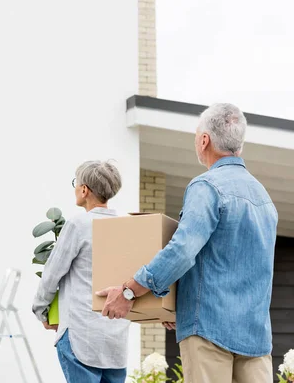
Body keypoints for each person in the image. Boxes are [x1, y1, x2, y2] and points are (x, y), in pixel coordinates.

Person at [97, 103, 278, 383]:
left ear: (204, 139)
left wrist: (129, 292)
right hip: (256, 337)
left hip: (209, 332)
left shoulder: (206, 187)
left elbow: (182, 250)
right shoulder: (264, 199)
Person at [32, 160, 130, 383]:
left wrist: (41, 311)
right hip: (115, 339)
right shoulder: (126, 225)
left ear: (84, 189)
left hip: (81, 334)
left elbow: (51, 274)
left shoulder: (79, 224)